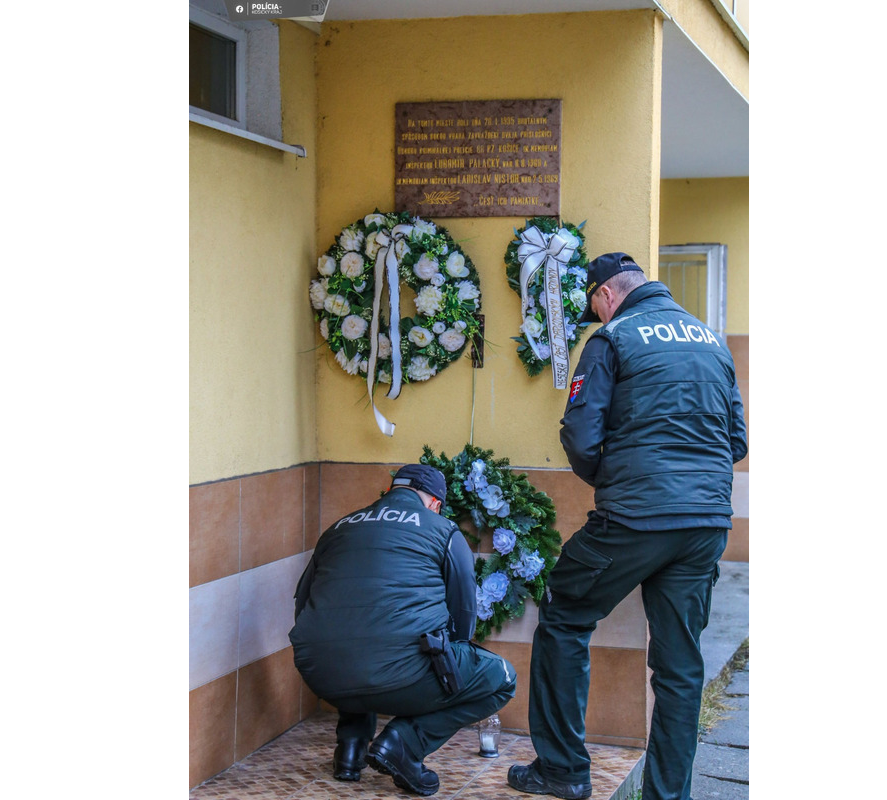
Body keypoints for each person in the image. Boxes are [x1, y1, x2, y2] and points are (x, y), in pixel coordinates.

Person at [507, 253, 748, 800]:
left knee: (565, 614)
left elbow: (581, 436)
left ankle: (562, 771)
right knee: (681, 667)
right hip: (706, 523)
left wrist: (615, 482)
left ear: (606, 295)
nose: (595, 314)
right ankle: (668, 795)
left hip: (635, 518)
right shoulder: (711, 340)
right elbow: (737, 441)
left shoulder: (612, 339)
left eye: (594, 305)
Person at [290, 464, 517, 797]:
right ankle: (404, 744)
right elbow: (463, 619)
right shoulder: (444, 530)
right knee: (502, 679)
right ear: (435, 503)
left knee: (359, 631)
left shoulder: (338, 528)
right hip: (401, 676)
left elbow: (303, 604)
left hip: (320, 673)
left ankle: (350, 751)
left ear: (391, 491)